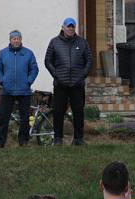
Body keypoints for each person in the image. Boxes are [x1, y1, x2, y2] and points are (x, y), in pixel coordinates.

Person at [44, 17, 92, 146]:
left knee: (78, 112)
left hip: (77, 84)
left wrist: (83, 75)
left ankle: (78, 139)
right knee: (58, 112)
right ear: (63, 27)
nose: (70, 29)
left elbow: (89, 60)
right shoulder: (54, 42)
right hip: (61, 84)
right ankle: (58, 139)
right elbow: (48, 61)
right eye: (68, 26)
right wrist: (56, 74)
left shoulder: (82, 42)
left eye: (72, 27)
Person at [0, 30, 39, 148]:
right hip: (7, 91)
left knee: (25, 118)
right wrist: (2, 80)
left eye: (18, 38)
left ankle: (23, 141)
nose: (16, 40)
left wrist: (29, 81)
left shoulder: (28, 53)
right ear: (10, 40)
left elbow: (34, 69)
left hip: (24, 91)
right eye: (14, 39)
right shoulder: (3, 53)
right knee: (3, 117)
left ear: (21, 39)